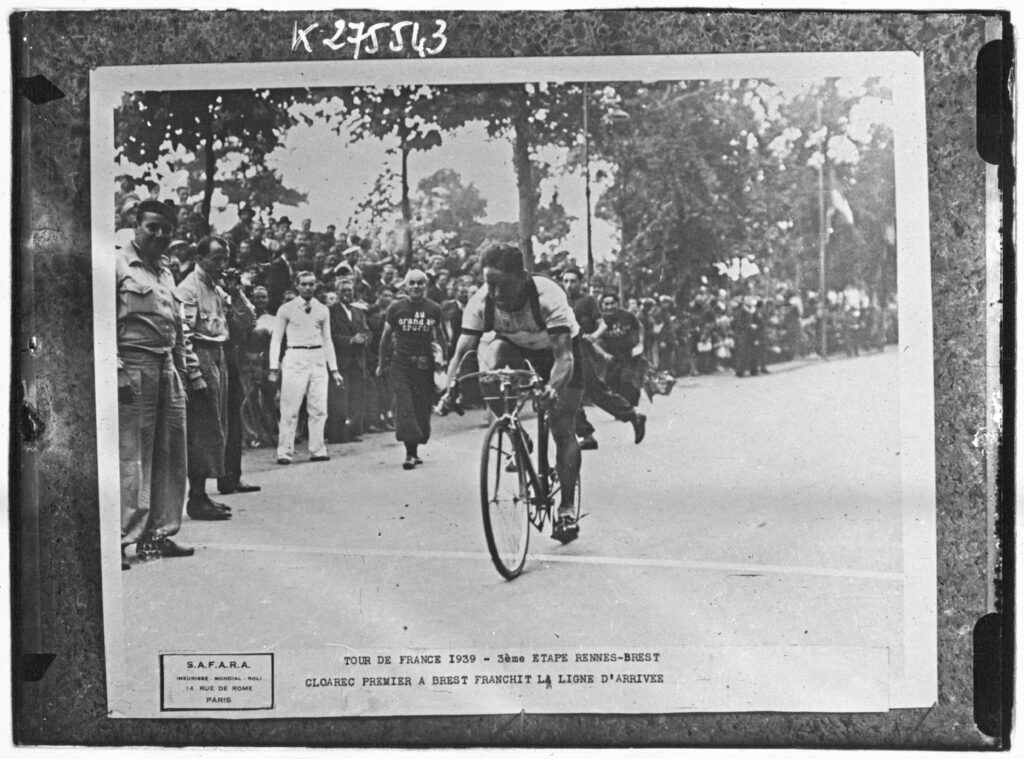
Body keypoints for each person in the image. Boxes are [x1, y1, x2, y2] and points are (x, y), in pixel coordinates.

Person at [441, 243, 584, 543]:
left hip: (560, 353)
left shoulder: (548, 295)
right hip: (516, 347)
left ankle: (567, 508)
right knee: (490, 367)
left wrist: (551, 388)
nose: (494, 292)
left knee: (561, 425)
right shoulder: (481, 302)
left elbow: (564, 358)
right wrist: (449, 388)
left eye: (502, 285)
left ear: (521, 277)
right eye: (489, 284)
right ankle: (516, 433)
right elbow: (461, 353)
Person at [117, 200, 200, 567]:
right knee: (133, 455)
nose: (160, 235)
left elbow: (177, 327)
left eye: (166, 229)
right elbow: (100, 323)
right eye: (152, 227)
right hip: (133, 364)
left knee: (170, 453)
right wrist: (116, 368)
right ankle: (119, 539)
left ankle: (158, 536)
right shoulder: (117, 264)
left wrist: (182, 372)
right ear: (136, 226)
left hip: (166, 366)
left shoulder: (166, 270)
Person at [175, 235, 235, 520]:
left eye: (225, 258)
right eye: (217, 259)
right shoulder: (189, 288)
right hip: (201, 355)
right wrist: (194, 374)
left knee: (215, 426)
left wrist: (238, 291)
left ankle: (203, 495)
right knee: (202, 429)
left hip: (217, 354)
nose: (222, 264)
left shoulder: (217, 286)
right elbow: (183, 335)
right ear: (200, 258)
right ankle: (196, 498)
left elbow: (246, 318)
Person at [560, 267, 646, 450]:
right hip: (562, 350)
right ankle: (586, 435)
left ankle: (633, 416)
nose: (568, 285)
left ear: (581, 282)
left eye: (573, 281)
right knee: (567, 393)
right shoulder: (559, 300)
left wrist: (593, 336)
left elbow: (602, 325)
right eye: (565, 281)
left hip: (581, 351)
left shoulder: (588, 301)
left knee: (595, 392)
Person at [268, 271, 344, 464]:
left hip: (317, 359)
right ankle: (284, 451)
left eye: (311, 284)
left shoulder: (322, 309)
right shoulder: (286, 309)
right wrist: (273, 368)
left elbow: (328, 340)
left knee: (318, 407)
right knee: (290, 407)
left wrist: (333, 369)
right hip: (295, 357)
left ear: (316, 286)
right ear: (297, 285)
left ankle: (318, 449)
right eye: (304, 284)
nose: (308, 288)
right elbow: (276, 340)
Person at [376, 270, 446, 470]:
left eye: (420, 283)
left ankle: (416, 448)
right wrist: (382, 363)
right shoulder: (396, 308)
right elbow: (385, 338)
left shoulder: (434, 309)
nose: (416, 287)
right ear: (405, 286)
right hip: (401, 364)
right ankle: (410, 454)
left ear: (426, 286)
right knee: (405, 405)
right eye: (412, 283)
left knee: (422, 408)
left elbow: (440, 336)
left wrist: (442, 361)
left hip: (424, 365)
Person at [327, 277, 371, 443]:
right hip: (341, 359)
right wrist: (350, 340)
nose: (347, 294)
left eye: (349, 291)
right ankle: (338, 434)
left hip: (358, 360)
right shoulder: (331, 311)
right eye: (343, 291)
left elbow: (367, 331)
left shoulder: (358, 312)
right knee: (339, 398)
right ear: (338, 293)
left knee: (356, 397)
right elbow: (330, 335)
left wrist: (364, 339)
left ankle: (354, 431)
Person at [595, 292, 645, 407]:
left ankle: (628, 406)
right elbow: (593, 341)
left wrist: (640, 343)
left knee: (626, 380)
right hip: (612, 356)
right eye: (606, 304)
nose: (609, 307)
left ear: (618, 304)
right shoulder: (600, 321)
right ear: (602, 305)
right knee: (611, 382)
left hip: (629, 354)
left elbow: (640, 328)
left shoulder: (627, 315)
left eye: (612, 303)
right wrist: (604, 354)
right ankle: (621, 407)